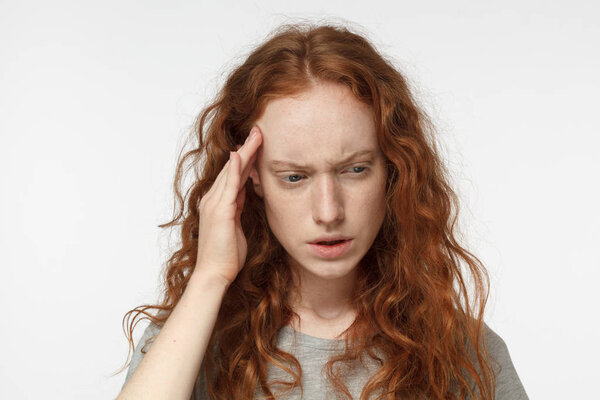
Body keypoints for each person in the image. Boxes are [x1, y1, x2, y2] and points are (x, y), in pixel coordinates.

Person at [115, 22, 528, 400]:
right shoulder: (192, 339)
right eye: (295, 177)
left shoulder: (464, 353)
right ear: (250, 178)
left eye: (355, 170)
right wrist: (209, 277)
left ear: (393, 168)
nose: (328, 212)